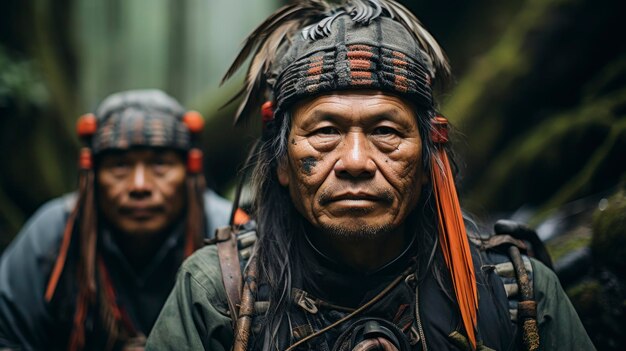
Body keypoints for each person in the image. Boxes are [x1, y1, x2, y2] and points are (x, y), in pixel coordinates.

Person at [146, 1, 595, 350]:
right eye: (325, 132)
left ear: (427, 161)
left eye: (385, 131)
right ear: (282, 162)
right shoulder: (217, 295)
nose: (356, 161)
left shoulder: (517, 292)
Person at [0, 90, 248, 350]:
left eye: (160, 164)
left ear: (190, 171)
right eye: (119, 166)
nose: (139, 185)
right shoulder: (54, 234)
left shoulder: (231, 233)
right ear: (93, 175)